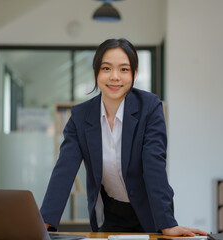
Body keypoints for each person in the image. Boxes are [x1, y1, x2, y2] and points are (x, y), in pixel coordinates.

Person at [40, 38, 207, 237]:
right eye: (106, 68)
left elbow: (154, 165)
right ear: (96, 73)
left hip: (151, 212)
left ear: (134, 74)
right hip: (112, 213)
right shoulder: (80, 116)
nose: (115, 77)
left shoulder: (150, 107)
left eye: (124, 69)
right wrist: (44, 222)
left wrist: (167, 223)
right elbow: (64, 170)